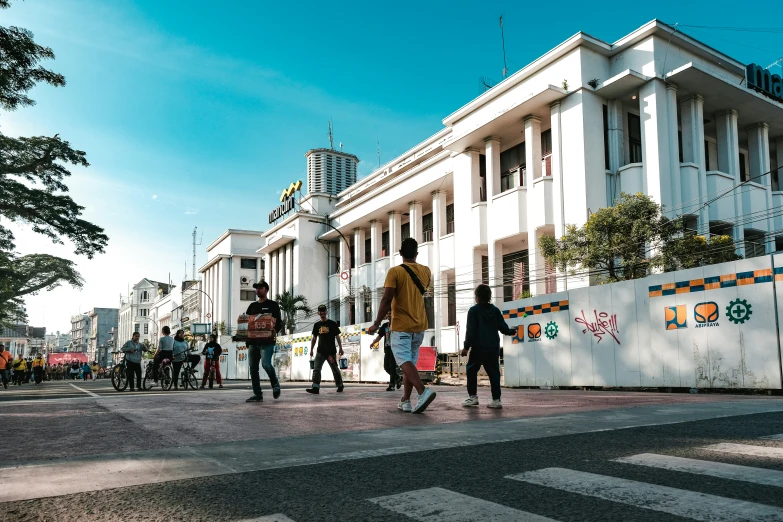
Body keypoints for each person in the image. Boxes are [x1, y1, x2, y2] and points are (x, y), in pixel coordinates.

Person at [368, 237, 436, 414]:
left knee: (404, 362)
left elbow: (387, 299)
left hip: (401, 326)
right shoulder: (426, 271)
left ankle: (423, 391)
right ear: (417, 253)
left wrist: (376, 323)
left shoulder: (395, 272)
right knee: (410, 364)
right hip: (420, 325)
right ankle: (405, 400)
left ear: (400, 253)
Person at [461, 284, 515, 409]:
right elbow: (503, 328)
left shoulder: (473, 311)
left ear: (477, 297)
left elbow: (470, 331)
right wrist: (512, 331)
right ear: (489, 297)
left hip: (478, 347)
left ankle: (473, 397)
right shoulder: (495, 310)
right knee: (494, 373)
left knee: (471, 370)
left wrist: (466, 347)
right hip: (493, 348)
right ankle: (496, 400)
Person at [245, 281, 283, 402]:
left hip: (267, 342)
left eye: (260, 288)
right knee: (253, 369)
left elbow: (279, 323)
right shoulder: (252, 306)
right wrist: (246, 338)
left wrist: (274, 330)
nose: (257, 290)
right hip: (253, 343)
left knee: (266, 364)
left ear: (266, 290)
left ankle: (275, 385)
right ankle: (257, 394)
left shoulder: (273, 305)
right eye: (256, 288)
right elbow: (248, 324)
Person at [306, 305, 344, 394]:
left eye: (324, 311)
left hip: (331, 352)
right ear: (318, 313)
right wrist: (311, 349)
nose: (322, 313)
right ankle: (315, 387)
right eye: (320, 312)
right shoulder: (316, 325)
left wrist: (341, 348)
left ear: (326, 312)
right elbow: (314, 338)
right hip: (320, 352)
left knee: (335, 369)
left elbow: (337, 336)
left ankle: (340, 385)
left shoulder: (332, 323)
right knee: (316, 369)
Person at [371, 313, 401, 392]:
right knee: (386, 367)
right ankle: (398, 378)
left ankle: (392, 385)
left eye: (390, 314)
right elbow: (380, 336)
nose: (388, 315)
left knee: (392, 366)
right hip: (387, 348)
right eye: (387, 314)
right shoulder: (385, 325)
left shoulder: (397, 325)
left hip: (394, 348)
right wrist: (373, 343)